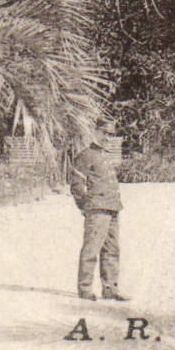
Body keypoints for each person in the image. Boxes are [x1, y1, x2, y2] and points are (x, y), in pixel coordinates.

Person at [70, 118, 130, 302]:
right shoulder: (86, 156)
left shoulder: (105, 155)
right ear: (95, 132)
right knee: (91, 249)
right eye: (104, 133)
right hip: (97, 209)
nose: (107, 137)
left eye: (110, 134)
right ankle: (85, 289)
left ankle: (110, 288)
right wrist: (86, 205)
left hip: (112, 207)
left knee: (112, 249)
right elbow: (76, 184)